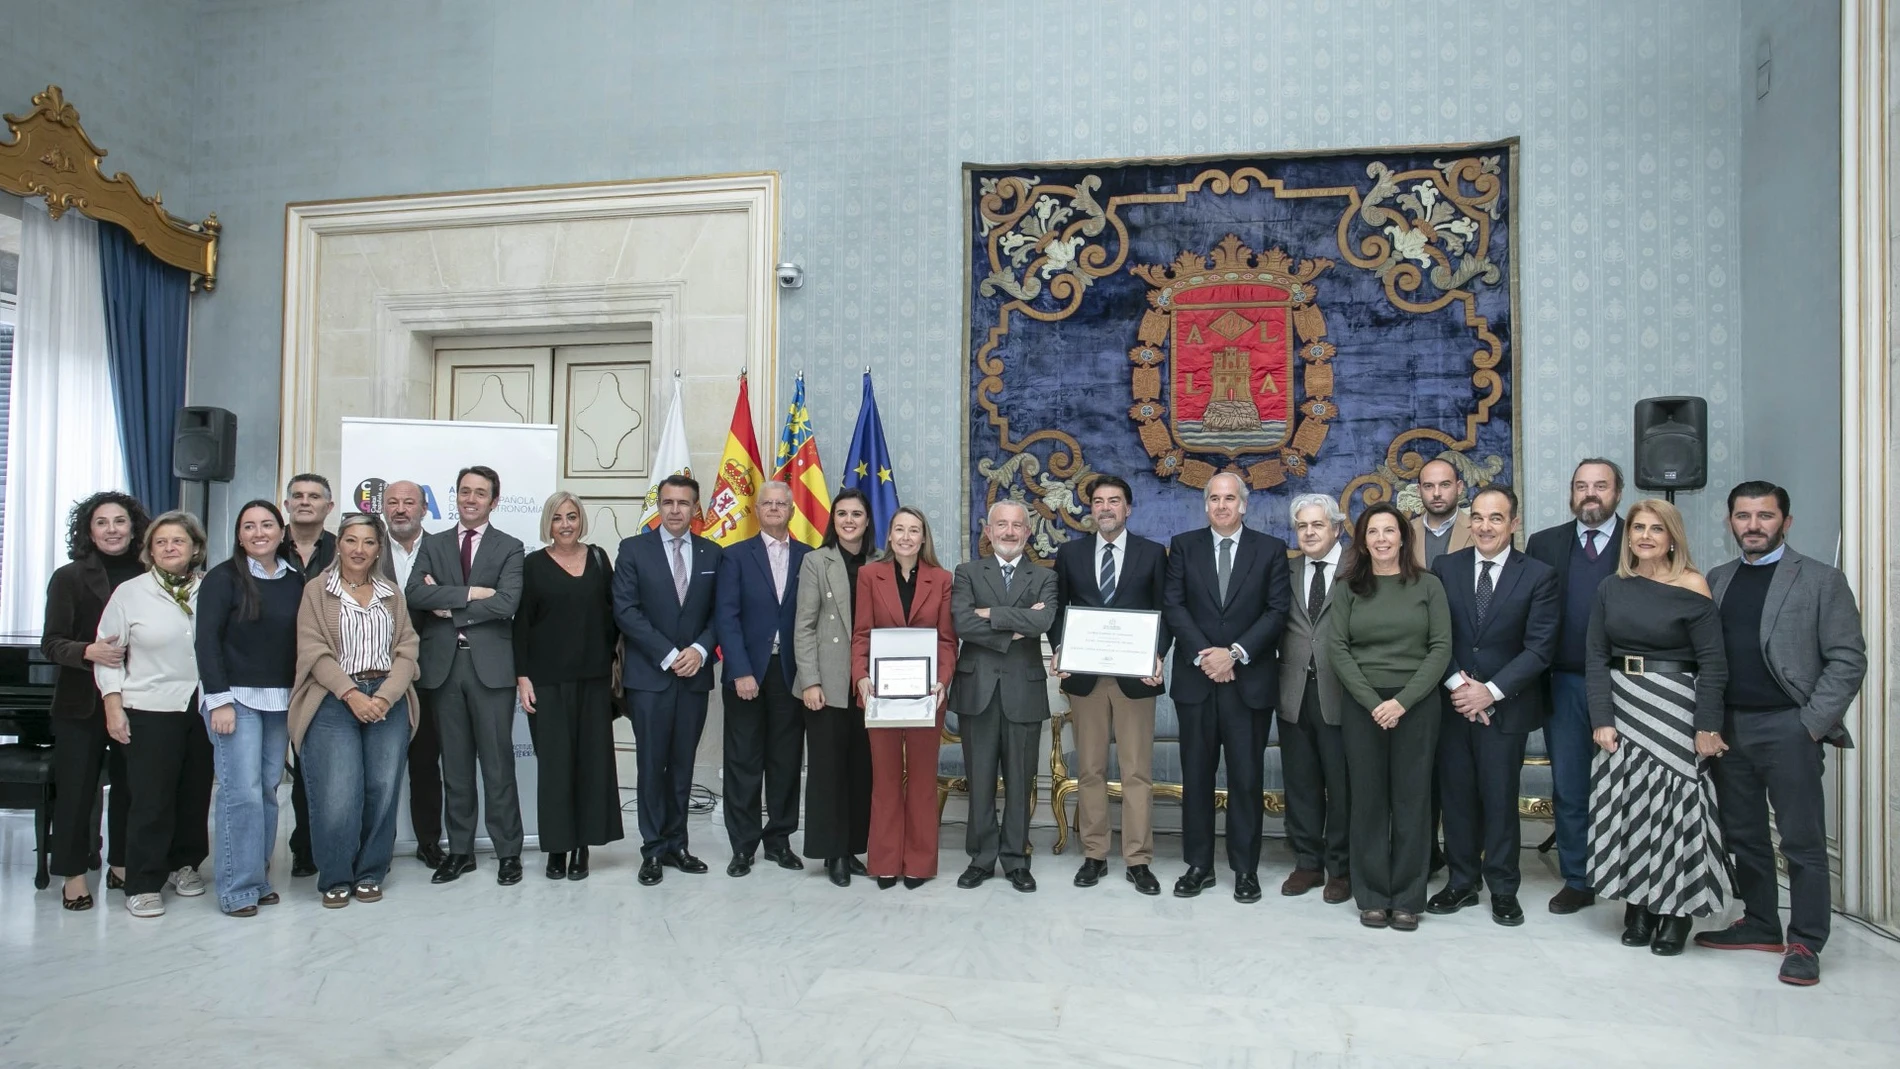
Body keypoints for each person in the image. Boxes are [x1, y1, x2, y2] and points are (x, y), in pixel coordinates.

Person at [1695, 482, 1866, 985]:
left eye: (1765, 516)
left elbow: (1848, 658)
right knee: (1744, 834)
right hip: (1730, 728)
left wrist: (1810, 724)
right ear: (1731, 523)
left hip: (1789, 726)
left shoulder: (1820, 580)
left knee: (1801, 841)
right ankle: (1762, 923)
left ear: (1785, 523)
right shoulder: (1718, 578)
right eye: (1743, 516)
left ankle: (1806, 942)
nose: (1753, 525)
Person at [1584, 498, 1728, 956]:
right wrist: (1602, 719)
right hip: (1624, 706)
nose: (1645, 536)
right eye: (1638, 528)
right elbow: (1594, 658)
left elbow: (1714, 664)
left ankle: (1676, 913)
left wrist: (1706, 725)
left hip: (1676, 710)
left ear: (1672, 538)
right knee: (1633, 810)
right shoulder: (1611, 587)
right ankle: (1640, 905)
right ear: (1628, 537)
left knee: (1675, 811)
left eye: (1656, 529)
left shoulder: (1694, 586)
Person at [1426, 487, 1559, 927]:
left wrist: (1492, 691)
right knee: (1456, 798)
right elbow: (1432, 634)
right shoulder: (1446, 568)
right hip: (1452, 706)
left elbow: (1539, 649)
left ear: (1514, 523)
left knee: (1500, 801)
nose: (1485, 526)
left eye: (1496, 518)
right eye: (1478, 517)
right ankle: (1462, 882)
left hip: (1506, 709)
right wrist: (1458, 686)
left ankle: (1503, 888)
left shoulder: (1539, 575)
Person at [1322, 502, 1452, 931]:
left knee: (1413, 801)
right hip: (1363, 706)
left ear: (1402, 537)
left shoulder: (1428, 586)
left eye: (1388, 531)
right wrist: (1373, 700)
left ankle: (1409, 898)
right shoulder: (1347, 587)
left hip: (1417, 705)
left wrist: (1403, 701)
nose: (1381, 539)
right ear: (1362, 540)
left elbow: (1440, 649)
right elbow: (1337, 648)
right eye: (1372, 532)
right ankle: (1373, 896)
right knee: (1369, 801)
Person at [1162, 472, 1290, 903]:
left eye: (1229, 498)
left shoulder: (1270, 550)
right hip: (1196, 682)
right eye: (1214, 498)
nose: (1221, 505)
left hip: (1247, 683)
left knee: (1246, 779)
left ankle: (1245, 869)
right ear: (1205, 505)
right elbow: (1173, 606)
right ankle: (1198, 865)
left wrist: (1233, 653)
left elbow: (1276, 612)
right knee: (1195, 777)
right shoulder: (1183, 546)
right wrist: (1206, 655)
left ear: (1244, 504)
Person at [404, 466, 527, 886]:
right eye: (464, 492)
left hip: (490, 670)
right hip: (442, 668)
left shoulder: (510, 547)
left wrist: (449, 605)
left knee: (497, 766)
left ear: (494, 501)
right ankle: (460, 851)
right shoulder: (433, 544)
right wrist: (473, 594)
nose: (470, 499)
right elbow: (416, 595)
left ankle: (509, 852)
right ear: (455, 496)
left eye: (480, 493)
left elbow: (508, 602)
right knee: (454, 768)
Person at [290, 513, 420, 908]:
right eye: (351, 540)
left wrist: (383, 697)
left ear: (378, 549)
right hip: (333, 698)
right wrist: (352, 694)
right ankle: (335, 876)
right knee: (337, 792)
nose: (359, 549)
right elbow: (313, 650)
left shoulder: (392, 593)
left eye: (368, 542)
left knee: (382, 790)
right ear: (339, 544)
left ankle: (370, 872)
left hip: (387, 698)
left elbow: (408, 648)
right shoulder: (317, 591)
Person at [1050, 474, 1168, 895]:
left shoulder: (1153, 554)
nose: (1105, 508)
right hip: (1085, 680)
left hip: (1135, 680)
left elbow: (1164, 611)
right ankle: (1095, 855)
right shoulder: (1070, 554)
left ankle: (1138, 860)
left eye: (1114, 501)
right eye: (1098, 501)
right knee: (1090, 770)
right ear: (1091, 509)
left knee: (1137, 772)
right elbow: (1059, 611)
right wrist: (1061, 649)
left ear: (1128, 508)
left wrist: (1158, 655)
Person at [95, 511, 213, 919]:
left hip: (201, 707)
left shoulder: (210, 588)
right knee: (150, 798)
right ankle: (143, 882)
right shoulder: (130, 593)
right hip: (149, 707)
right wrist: (113, 705)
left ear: (195, 547)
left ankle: (185, 865)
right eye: (160, 542)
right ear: (149, 550)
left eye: (178, 541)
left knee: (195, 793)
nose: (169, 548)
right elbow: (108, 655)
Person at [1525, 457, 1626, 915]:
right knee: (1570, 785)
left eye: (1600, 486)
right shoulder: (1544, 544)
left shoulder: (1642, 539)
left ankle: (1632, 876)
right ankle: (1578, 878)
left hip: (1629, 682)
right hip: (1564, 683)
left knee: (1631, 786)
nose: (1590, 494)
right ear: (1571, 493)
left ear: (1617, 493)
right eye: (1582, 486)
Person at [194, 501, 303, 916]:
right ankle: (237, 888)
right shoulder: (223, 579)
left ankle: (257, 877)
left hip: (279, 701)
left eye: (267, 524)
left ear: (282, 531)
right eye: (249, 526)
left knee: (268, 794)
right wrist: (218, 700)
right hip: (233, 700)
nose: (259, 532)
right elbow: (206, 642)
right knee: (240, 794)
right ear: (239, 535)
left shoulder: (296, 579)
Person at [613, 474, 723, 886]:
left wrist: (698, 650)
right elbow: (626, 611)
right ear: (658, 506)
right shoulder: (633, 549)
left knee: (682, 766)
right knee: (650, 765)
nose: (675, 510)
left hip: (694, 677)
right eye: (668, 502)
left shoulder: (713, 553)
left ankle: (678, 844)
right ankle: (653, 849)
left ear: (696, 509)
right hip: (651, 677)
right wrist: (669, 653)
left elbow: (720, 613)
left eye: (684, 503)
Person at [42, 491, 149, 910]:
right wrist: (88, 651)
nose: (112, 530)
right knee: (77, 792)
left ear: (133, 526)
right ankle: (72, 874)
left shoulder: (150, 573)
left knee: (131, 787)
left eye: (119, 521)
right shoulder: (68, 577)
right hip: (80, 704)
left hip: (138, 698)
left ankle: (121, 864)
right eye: (102, 523)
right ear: (89, 530)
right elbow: (51, 643)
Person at [513, 491, 623, 881]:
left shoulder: (598, 559)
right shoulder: (532, 565)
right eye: (558, 517)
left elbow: (615, 615)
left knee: (591, 766)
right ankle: (557, 849)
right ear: (548, 522)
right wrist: (523, 677)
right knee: (556, 768)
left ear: (581, 520)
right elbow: (521, 625)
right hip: (547, 682)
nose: (565, 524)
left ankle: (582, 848)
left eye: (572, 516)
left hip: (593, 681)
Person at [950, 499, 1058, 893]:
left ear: (1028, 533)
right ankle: (981, 859)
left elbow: (1044, 621)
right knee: (979, 780)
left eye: (1017, 526)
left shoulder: (1044, 575)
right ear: (988, 531)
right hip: (977, 689)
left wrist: (989, 614)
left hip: (1023, 691)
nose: (1010, 532)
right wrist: (1016, 623)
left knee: (1020, 781)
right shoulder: (966, 572)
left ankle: (1015, 859)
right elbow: (961, 622)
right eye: (1002, 525)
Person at [853, 505, 957, 889]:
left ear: (924, 538)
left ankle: (919, 862)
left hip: (927, 696)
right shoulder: (869, 575)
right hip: (880, 695)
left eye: (914, 530)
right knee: (884, 780)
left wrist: (943, 679)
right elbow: (862, 633)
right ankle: (882, 861)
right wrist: (861, 676)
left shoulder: (942, 579)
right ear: (890, 536)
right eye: (900, 529)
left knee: (922, 780)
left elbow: (947, 639)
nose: (907, 537)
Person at [715, 481, 810, 877]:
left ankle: (780, 840)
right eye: (767, 503)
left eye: (781, 503)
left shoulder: (810, 557)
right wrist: (740, 670)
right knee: (743, 761)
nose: (774, 508)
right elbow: (726, 617)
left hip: (791, 674)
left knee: (786, 761)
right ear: (757, 510)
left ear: (791, 511)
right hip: (747, 673)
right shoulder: (734, 556)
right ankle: (743, 846)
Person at [793, 489, 875, 886]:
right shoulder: (816, 561)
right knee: (829, 772)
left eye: (856, 514)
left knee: (862, 771)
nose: (848, 520)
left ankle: (853, 847)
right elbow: (804, 625)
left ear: (867, 520)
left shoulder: (882, 561)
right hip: (827, 684)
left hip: (871, 685)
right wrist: (810, 680)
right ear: (833, 520)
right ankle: (833, 852)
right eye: (841, 513)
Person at [1275, 494, 1352, 904]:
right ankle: (1307, 862)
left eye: (1317, 525)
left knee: (1342, 786)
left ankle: (1341, 868)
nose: (1308, 533)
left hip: (1342, 693)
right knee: (1301, 782)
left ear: (1337, 528)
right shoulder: (1285, 570)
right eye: (1302, 526)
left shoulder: (1359, 568)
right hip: (1292, 692)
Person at [380, 479, 445, 868]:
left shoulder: (442, 549)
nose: (401, 509)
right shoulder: (365, 549)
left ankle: (429, 841)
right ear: (383, 509)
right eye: (393, 502)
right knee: (379, 768)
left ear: (424, 508)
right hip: (376, 673)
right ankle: (376, 846)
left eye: (409, 502)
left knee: (425, 764)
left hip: (429, 673)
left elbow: (455, 595)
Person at [278, 473, 338, 879]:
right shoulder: (264, 542)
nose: (304, 502)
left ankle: (308, 847)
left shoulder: (343, 548)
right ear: (286, 505)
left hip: (321, 672)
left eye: (314, 496)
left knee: (312, 770)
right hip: (267, 671)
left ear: (327, 507)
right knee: (263, 774)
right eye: (297, 496)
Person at [1409, 457, 1473, 568]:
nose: (1437, 493)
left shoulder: (1478, 529)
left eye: (1445, 485)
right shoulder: (1406, 532)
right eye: (1429, 486)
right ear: (1419, 491)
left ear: (1459, 487)